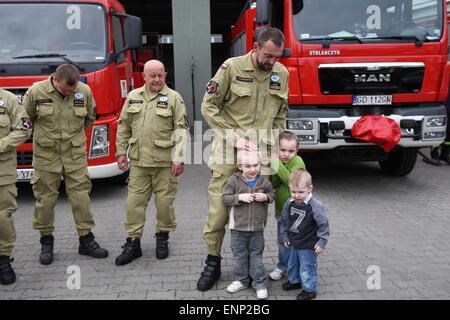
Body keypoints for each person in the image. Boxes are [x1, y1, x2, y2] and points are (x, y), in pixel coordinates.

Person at [198, 27, 289, 291]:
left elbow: (281, 113)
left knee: (255, 213)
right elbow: (208, 105)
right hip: (228, 154)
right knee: (218, 214)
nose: (272, 61)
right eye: (268, 55)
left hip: (261, 158)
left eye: (277, 57)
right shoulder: (231, 68)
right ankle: (212, 262)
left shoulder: (281, 74)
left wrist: (275, 145)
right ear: (255, 47)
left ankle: (251, 269)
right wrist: (232, 137)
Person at [23, 63, 108, 265]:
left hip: (74, 154)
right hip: (46, 155)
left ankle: (86, 239)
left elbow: (89, 118)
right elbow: (27, 119)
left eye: (72, 90)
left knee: (81, 198)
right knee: (46, 200)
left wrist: (74, 138)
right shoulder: (37, 91)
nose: (69, 93)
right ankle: (46, 241)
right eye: (64, 90)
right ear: (55, 80)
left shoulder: (84, 91)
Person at [115, 60, 188, 265]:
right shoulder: (133, 97)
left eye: (160, 76)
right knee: (133, 204)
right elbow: (123, 127)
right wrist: (121, 152)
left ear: (165, 75)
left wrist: (179, 158)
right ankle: (133, 242)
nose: (157, 80)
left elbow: (181, 131)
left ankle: (162, 238)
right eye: (152, 76)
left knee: (164, 204)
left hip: (165, 163)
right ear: (143, 77)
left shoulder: (174, 98)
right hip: (139, 163)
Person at [222, 150, 275, 299]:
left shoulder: (264, 181)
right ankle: (241, 280)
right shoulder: (233, 180)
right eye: (248, 166)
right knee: (239, 256)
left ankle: (259, 283)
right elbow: (225, 198)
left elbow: (272, 195)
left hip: (257, 229)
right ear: (240, 166)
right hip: (237, 228)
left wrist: (265, 197)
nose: (252, 169)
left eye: (255, 165)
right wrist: (239, 197)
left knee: (256, 256)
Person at [280, 169, 330, 300]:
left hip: (308, 244)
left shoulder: (315, 205)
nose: (296, 195)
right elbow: (284, 221)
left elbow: (323, 225)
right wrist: (284, 236)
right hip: (293, 242)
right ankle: (295, 281)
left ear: (310, 188)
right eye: (293, 192)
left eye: (301, 192)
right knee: (292, 264)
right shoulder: (289, 203)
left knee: (307, 267)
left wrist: (322, 242)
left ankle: (309, 289)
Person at [0, 89, 32, 284]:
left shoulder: (9, 100)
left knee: (2, 215)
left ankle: (3, 259)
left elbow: (23, 128)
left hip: (2, 170)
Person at [268, 131, 306, 281]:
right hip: (281, 211)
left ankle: (296, 266)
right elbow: (275, 183)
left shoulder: (298, 162)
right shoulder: (280, 163)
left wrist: (276, 163)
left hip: (296, 212)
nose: (286, 154)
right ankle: (282, 266)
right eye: (283, 150)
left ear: (297, 151)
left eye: (291, 151)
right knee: (282, 240)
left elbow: (291, 181)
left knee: (296, 240)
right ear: (278, 149)